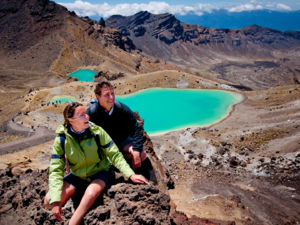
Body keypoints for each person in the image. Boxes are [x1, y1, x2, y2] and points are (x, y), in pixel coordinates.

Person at [44, 102, 149, 225]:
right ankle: (73, 197)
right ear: (70, 120)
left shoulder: (96, 132)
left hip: (101, 173)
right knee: (48, 201)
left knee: (91, 193)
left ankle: (73, 222)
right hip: (78, 176)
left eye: (86, 114)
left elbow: (114, 155)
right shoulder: (62, 139)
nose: (87, 117)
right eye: (81, 115)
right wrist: (56, 201)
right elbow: (56, 170)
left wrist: (130, 174)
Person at [87, 81, 147, 169]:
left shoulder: (122, 109)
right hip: (102, 146)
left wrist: (136, 150)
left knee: (142, 154)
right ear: (97, 97)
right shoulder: (91, 113)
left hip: (121, 141)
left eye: (112, 93)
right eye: (107, 95)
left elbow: (136, 129)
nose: (111, 97)